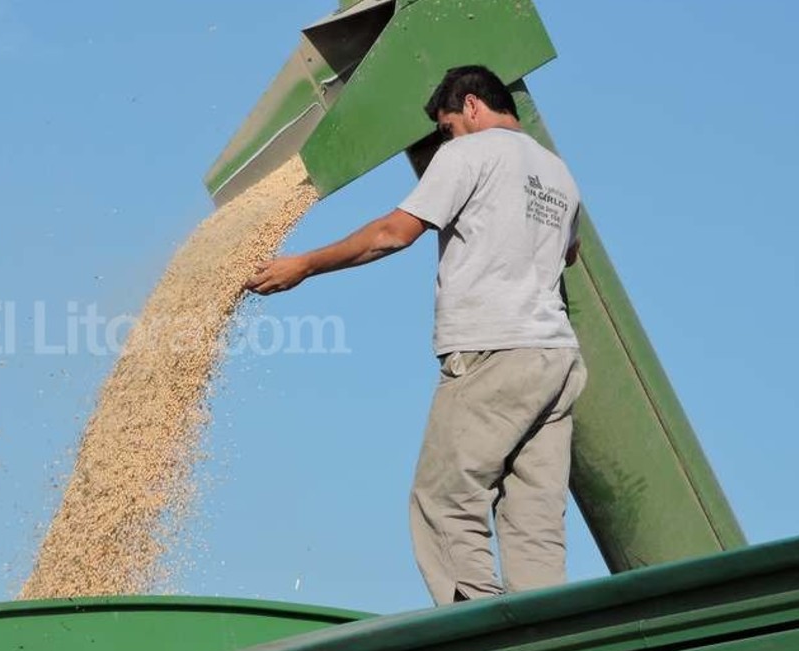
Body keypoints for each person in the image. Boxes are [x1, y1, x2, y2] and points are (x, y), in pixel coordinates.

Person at [244, 65, 587, 605]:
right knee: (535, 520)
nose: (445, 140)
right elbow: (570, 252)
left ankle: (479, 631)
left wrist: (305, 264)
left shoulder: (468, 154)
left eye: (447, 127)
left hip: (492, 348)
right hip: (556, 359)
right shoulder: (558, 173)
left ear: (470, 106)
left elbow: (391, 234)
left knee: (444, 500)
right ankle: (548, 634)